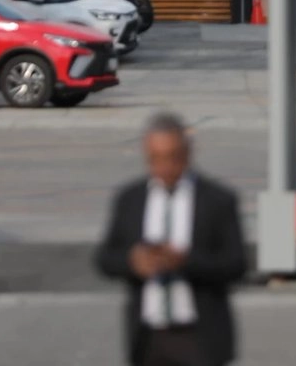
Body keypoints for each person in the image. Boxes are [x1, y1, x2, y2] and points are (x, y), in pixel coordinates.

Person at [95, 113, 245, 366]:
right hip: (148, 337)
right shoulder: (131, 200)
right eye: (155, 159)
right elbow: (104, 259)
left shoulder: (216, 200)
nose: (164, 168)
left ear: (187, 154)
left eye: (173, 158)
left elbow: (237, 264)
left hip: (200, 335)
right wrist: (133, 262)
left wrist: (185, 261)